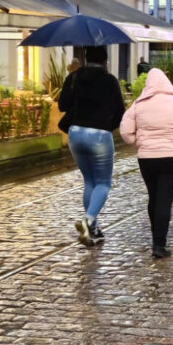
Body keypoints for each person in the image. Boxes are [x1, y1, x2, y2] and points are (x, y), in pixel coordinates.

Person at [120, 69, 173, 258]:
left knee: (154, 196)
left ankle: (155, 238)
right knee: (165, 201)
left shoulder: (138, 105)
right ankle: (159, 244)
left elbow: (125, 131)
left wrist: (140, 143)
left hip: (147, 158)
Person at [58, 47, 125, 247]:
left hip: (75, 133)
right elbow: (120, 112)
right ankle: (88, 221)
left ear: (87, 58)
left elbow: (62, 105)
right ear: (105, 60)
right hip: (99, 134)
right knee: (103, 183)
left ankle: (93, 229)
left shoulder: (74, 77)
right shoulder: (110, 80)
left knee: (89, 181)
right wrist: (106, 127)